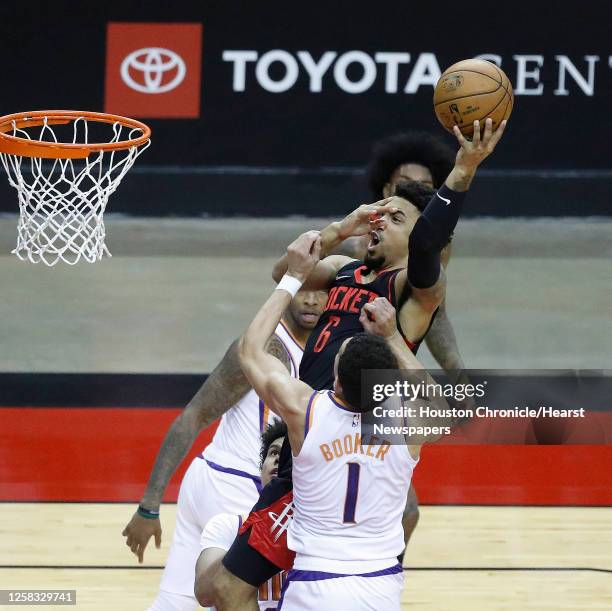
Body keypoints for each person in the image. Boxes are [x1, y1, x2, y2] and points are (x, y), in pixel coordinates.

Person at [217, 119, 507, 609]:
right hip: (306, 427)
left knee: (241, 583)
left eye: (395, 219)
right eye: (382, 213)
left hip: (351, 426)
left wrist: (463, 170)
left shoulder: (412, 292)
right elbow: (285, 271)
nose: (381, 222)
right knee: (226, 589)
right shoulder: (346, 269)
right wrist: (340, 229)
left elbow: (428, 243)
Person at [211, 231, 446, 610]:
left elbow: (251, 348)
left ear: (335, 380)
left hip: (315, 584)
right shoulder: (404, 425)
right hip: (379, 586)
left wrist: (294, 276)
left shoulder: (308, 411)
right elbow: (443, 407)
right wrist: (393, 340)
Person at [121, 291, 326, 611]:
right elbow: (193, 416)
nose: (311, 301)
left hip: (203, 480)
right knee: (242, 599)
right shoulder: (270, 348)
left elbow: (193, 415)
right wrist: (149, 505)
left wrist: (150, 506)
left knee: (175, 603)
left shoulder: (291, 347)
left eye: (320, 292)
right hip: (242, 490)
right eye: (303, 291)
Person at [195, 419, 288, 610]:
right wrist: (261, 523)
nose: (278, 459)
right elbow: (205, 593)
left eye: (287, 454)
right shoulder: (227, 525)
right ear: (261, 470)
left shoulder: (318, 531)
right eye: (273, 453)